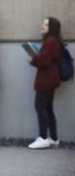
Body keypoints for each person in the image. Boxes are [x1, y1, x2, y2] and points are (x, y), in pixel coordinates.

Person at [27, 17, 61, 149]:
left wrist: (32, 60)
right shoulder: (53, 40)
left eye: (46, 24)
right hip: (51, 79)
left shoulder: (50, 41)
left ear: (51, 27)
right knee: (48, 109)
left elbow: (44, 61)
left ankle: (43, 137)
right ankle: (53, 138)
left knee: (40, 107)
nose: (42, 26)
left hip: (46, 80)